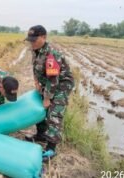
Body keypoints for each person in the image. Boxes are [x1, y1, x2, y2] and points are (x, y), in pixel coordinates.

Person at [24, 25, 74, 161]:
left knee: (54, 112)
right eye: (30, 40)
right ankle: (41, 134)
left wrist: (47, 98)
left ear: (44, 38)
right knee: (40, 108)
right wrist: (36, 82)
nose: (32, 42)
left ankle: (51, 148)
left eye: (34, 40)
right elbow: (35, 67)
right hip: (47, 82)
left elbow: (53, 79)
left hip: (61, 84)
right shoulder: (35, 50)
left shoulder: (52, 54)